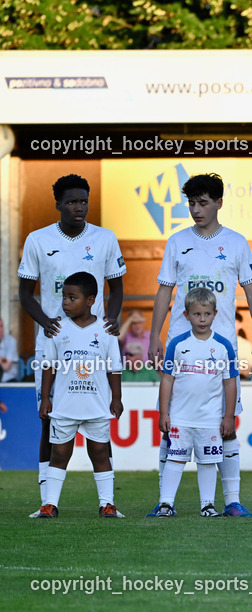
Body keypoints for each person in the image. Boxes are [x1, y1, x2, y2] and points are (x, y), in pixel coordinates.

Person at [148, 173, 252, 517]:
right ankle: (165, 501)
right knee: (172, 422)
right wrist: (156, 335)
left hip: (222, 346)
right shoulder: (177, 241)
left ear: (219, 203)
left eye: (203, 202)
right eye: (191, 203)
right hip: (180, 344)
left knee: (225, 423)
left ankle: (231, 500)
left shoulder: (235, 242)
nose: (196, 209)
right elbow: (164, 291)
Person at [18, 174, 125, 517]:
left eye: (83, 200)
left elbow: (117, 286)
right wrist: (46, 322)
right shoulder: (37, 239)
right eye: (72, 201)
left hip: (94, 343)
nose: (79, 207)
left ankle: (107, 501)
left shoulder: (106, 239)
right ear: (58, 204)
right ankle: (46, 500)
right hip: (54, 343)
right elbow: (25, 293)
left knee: (99, 420)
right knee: (49, 419)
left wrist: (112, 319)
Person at [36, 272, 124, 518]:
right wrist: (45, 397)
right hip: (65, 405)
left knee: (99, 451)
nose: (65, 302)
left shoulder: (106, 330)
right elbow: (48, 366)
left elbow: (114, 368)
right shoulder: (56, 330)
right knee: (60, 453)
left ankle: (107, 504)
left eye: (72, 297)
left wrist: (116, 398)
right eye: (64, 297)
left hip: (96, 405)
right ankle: (50, 504)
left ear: (90, 300)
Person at [154, 287, 238, 517]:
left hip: (210, 418)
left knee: (208, 461)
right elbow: (167, 380)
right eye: (197, 314)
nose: (202, 319)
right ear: (186, 315)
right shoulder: (177, 345)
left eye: (207, 314)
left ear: (215, 314)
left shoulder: (223, 346)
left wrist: (228, 416)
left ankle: (207, 505)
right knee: (174, 459)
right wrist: (164, 413)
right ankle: (166, 504)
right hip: (180, 417)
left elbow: (230, 383)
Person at [0, 317, 18, 383]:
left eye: (1, 326)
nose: (0, 330)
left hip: (9, 382)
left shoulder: (10, 340)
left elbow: (6, 366)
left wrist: (1, 359)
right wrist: (3, 359)